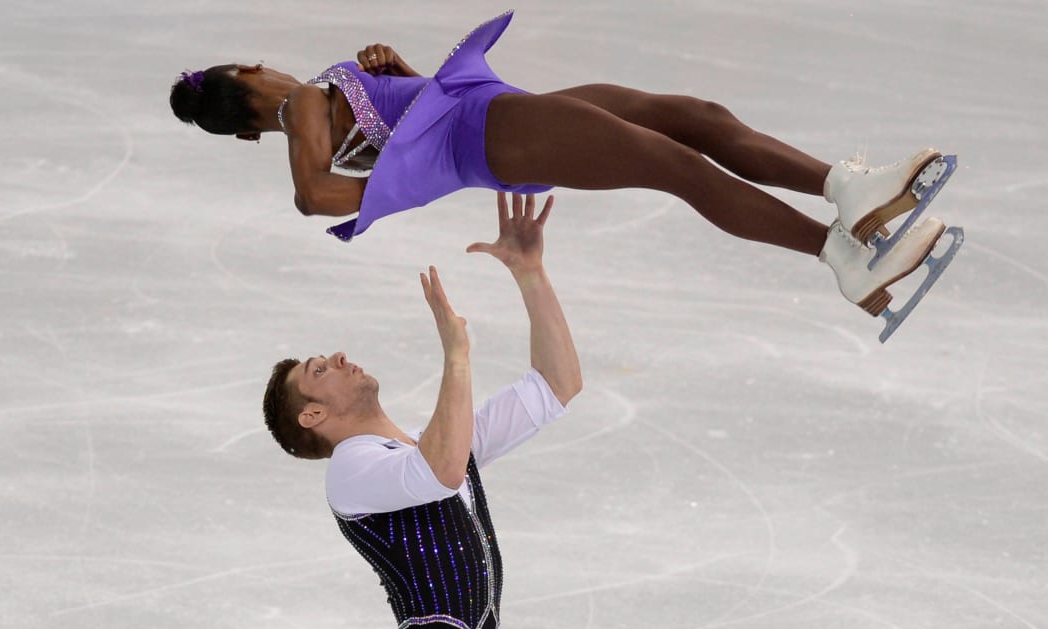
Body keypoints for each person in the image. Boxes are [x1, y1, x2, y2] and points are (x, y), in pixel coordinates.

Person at [171, 10, 957, 327]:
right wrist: (410, 178)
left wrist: (402, 87)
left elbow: (399, 133)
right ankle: (840, 254)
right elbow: (316, 195)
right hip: (492, 130)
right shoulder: (305, 105)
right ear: (249, 73)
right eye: (257, 71)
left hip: (492, 115)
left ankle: (844, 193)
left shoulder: (317, 111)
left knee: (690, 119)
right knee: (676, 162)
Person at [262, 192, 582, 629]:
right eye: (319, 370)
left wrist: (529, 272)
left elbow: (557, 384)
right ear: (312, 415)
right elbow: (441, 471)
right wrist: (456, 354)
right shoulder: (350, 471)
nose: (339, 357)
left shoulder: (424, 444)